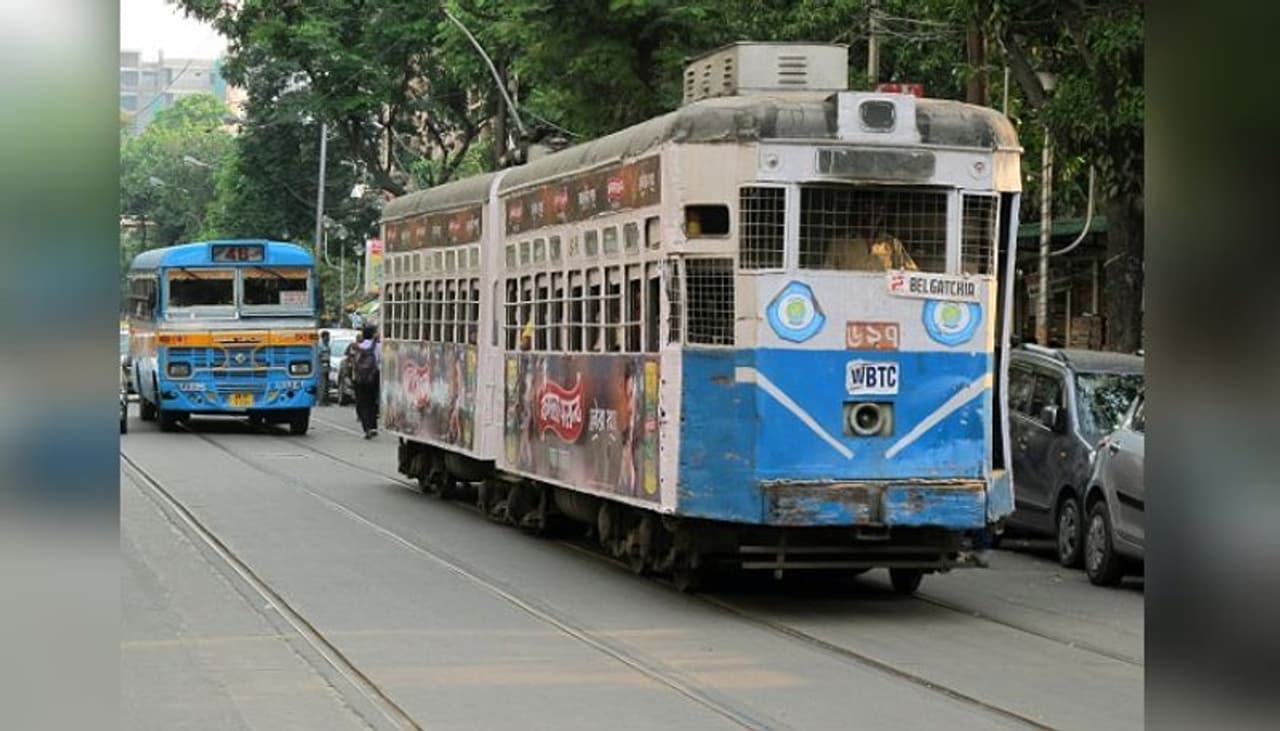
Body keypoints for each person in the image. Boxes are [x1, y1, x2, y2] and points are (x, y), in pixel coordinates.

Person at [352, 325, 381, 438]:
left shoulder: (356, 346)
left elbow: (352, 361)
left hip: (359, 378)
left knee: (363, 403)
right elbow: (380, 361)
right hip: (373, 376)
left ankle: (366, 428)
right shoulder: (378, 346)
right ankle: (374, 427)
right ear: (373, 334)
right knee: (373, 401)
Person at [317, 330, 332, 405]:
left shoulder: (327, 345)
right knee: (322, 384)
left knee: (327, 384)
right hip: (320, 367)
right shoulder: (320, 345)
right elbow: (318, 356)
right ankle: (321, 400)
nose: (329, 338)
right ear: (323, 337)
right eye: (327, 336)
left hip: (326, 367)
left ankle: (326, 400)